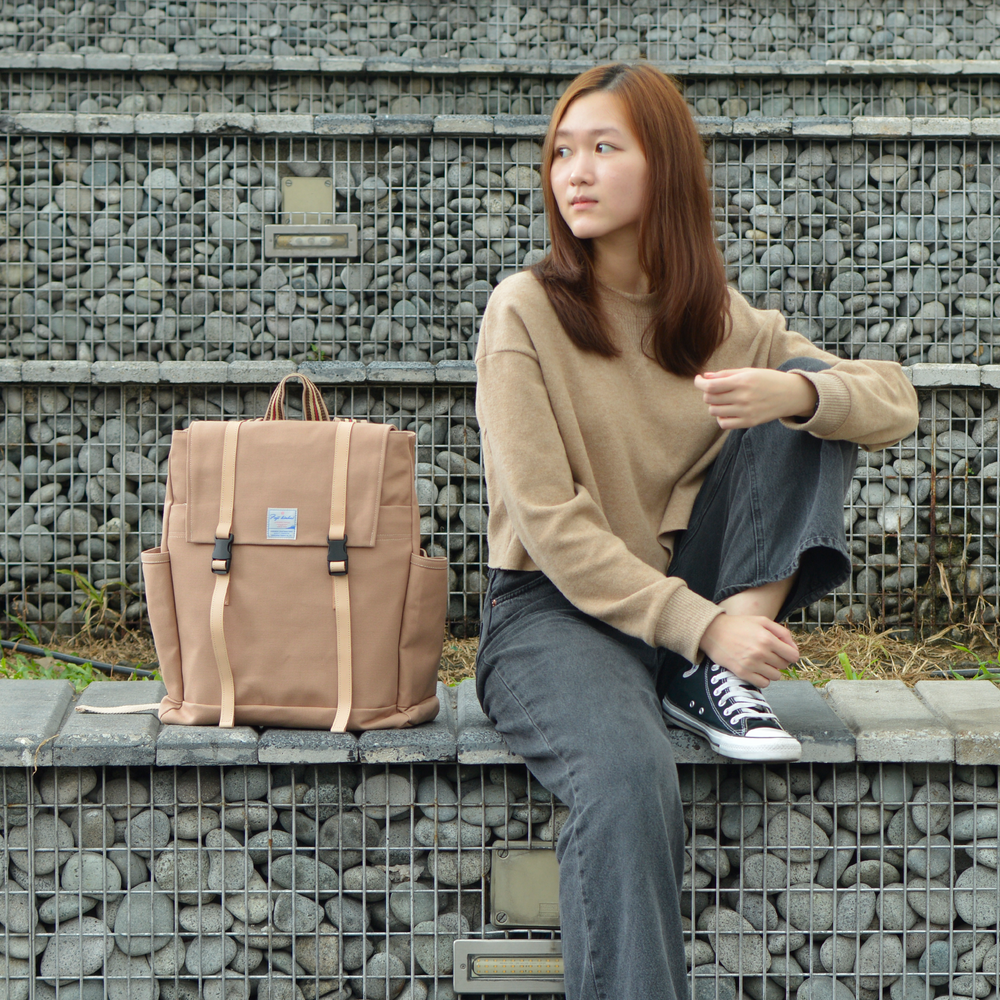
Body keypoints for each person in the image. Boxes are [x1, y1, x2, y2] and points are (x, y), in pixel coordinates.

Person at [472, 63, 919, 1000]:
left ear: (664, 169)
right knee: (632, 783)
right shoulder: (524, 311)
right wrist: (704, 622)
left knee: (809, 397)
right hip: (552, 620)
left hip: (687, 605)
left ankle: (708, 679)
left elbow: (893, 401)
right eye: (562, 151)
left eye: (604, 148)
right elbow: (550, 524)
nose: (574, 172)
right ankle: (706, 659)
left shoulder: (718, 321)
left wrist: (796, 392)